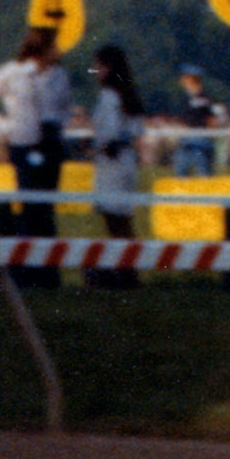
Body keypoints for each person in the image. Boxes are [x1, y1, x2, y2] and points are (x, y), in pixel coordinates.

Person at [0, 28, 67, 270]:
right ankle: (28, 265)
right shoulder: (13, 73)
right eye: (54, 45)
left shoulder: (60, 75)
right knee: (30, 203)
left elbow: (65, 106)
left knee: (47, 206)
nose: (59, 51)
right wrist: (6, 125)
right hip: (24, 144)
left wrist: (58, 125)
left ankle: (47, 268)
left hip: (51, 144)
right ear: (42, 48)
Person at [86, 45, 145, 289]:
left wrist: (93, 147)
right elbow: (138, 129)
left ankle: (127, 274)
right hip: (127, 161)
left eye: (98, 66)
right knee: (123, 220)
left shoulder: (109, 96)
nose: (95, 71)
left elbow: (108, 133)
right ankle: (128, 272)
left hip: (112, 161)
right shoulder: (128, 94)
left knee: (115, 221)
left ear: (108, 68)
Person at [173, 66, 220, 175]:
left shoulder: (203, 98)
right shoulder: (185, 98)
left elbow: (210, 118)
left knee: (203, 171)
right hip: (186, 138)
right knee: (181, 169)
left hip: (200, 138)